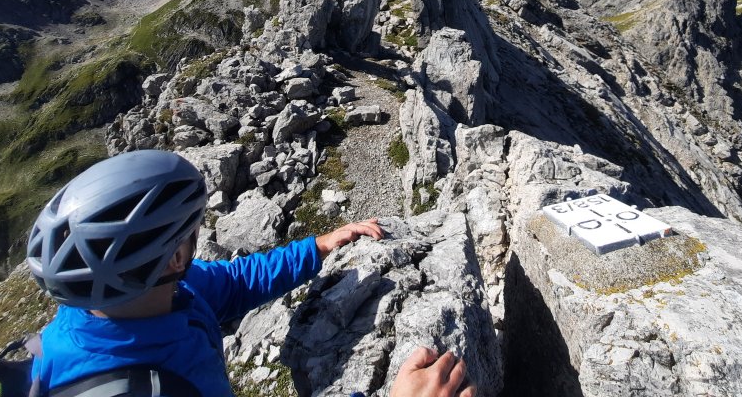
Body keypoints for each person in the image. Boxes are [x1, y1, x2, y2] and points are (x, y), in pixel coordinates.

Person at [24, 149, 475, 397]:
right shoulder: (144, 387)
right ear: (176, 258)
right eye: (192, 231)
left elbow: (236, 282)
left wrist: (317, 246)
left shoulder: (155, 292)